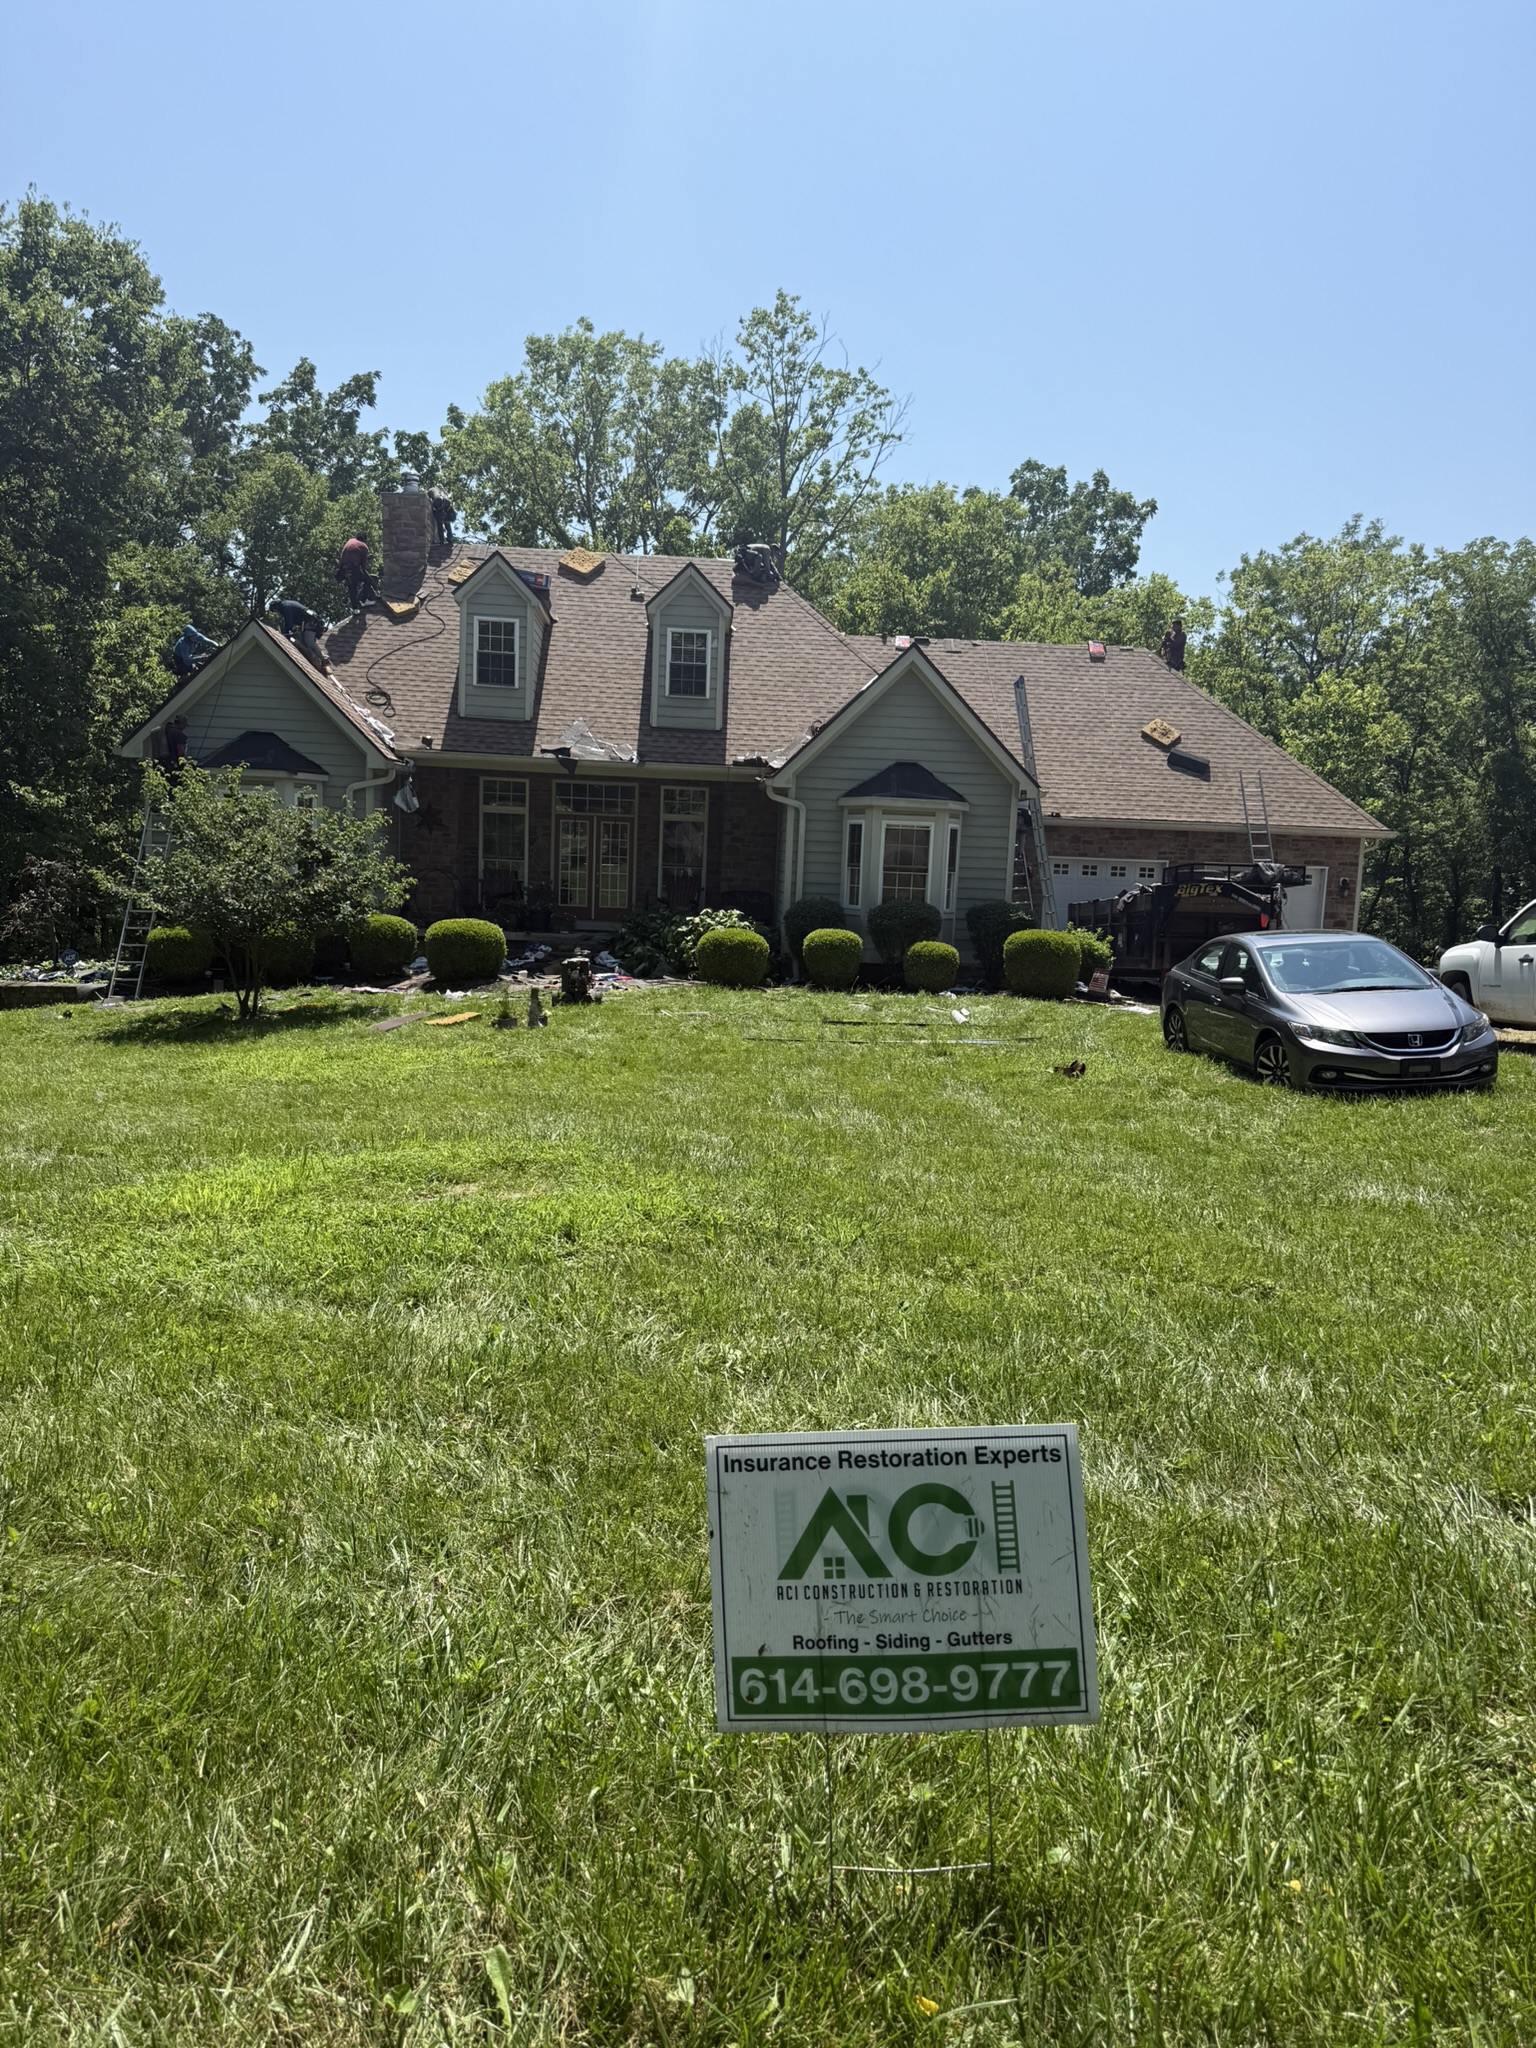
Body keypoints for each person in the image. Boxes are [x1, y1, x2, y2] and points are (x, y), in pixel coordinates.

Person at [270, 599, 332, 672]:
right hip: (310, 620)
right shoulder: (287, 604)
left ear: (276, 607)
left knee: (308, 642)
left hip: (310, 621)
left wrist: (285, 633)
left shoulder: (285, 607)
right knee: (303, 641)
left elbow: (289, 623)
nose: (277, 613)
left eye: (275, 611)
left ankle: (323, 659)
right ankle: (316, 660)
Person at [336, 536, 379, 611]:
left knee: (352, 586)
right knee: (368, 580)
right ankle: (364, 600)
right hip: (354, 567)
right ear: (364, 540)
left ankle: (355, 609)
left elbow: (351, 555)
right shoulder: (364, 546)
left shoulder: (351, 541)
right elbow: (363, 567)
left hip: (344, 569)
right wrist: (367, 575)